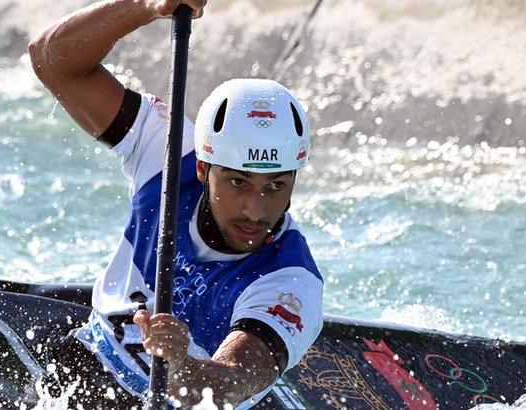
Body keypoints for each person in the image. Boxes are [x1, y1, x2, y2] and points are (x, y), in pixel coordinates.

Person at [28, 0, 323, 408]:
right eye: (238, 182)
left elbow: (229, 385)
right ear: (203, 169)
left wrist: (180, 364)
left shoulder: (291, 281)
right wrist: (144, 6)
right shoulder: (167, 151)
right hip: (90, 362)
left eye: (275, 186)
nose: (255, 210)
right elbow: (52, 62)